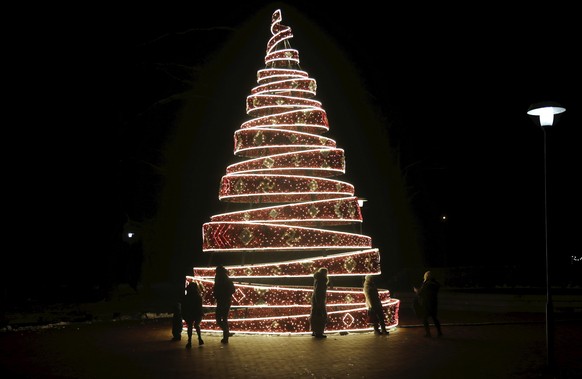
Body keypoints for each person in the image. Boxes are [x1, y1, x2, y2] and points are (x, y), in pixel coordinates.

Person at [413, 270, 443, 337]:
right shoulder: (435, 283)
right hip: (434, 303)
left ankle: (428, 333)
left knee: (425, 318)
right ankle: (439, 332)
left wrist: (416, 291)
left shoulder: (426, 284)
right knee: (434, 318)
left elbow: (421, 293)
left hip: (427, 303)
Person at [213, 265, 236, 344]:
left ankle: (226, 332)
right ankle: (226, 336)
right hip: (226, 301)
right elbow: (233, 290)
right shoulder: (227, 279)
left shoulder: (219, 279)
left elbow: (216, 290)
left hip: (222, 301)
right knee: (224, 318)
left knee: (218, 318)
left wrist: (218, 294)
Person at [182, 280, 204, 348]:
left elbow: (184, 306)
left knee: (190, 326)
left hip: (190, 312)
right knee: (197, 325)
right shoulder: (198, 296)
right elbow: (199, 306)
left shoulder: (186, 297)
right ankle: (199, 338)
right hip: (197, 313)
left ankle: (189, 341)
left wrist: (184, 314)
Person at [310, 267, 329, 338]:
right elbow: (320, 291)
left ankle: (314, 331)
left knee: (315, 315)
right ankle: (319, 332)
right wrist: (320, 302)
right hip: (320, 300)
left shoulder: (317, 279)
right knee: (321, 316)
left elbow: (316, 290)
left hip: (316, 300)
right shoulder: (322, 280)